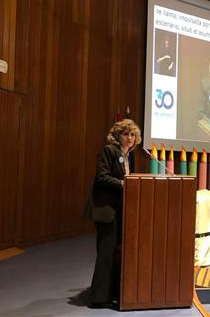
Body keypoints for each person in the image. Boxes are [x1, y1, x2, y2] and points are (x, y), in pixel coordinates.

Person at [87, 119, 141, 309]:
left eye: (132, 135)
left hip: (119, 211)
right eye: (125, 134)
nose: (129, 138)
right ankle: (99, 297)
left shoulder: (128, 156)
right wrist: (123, 184)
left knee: (116, 253)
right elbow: (101, 177)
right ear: (117, 136)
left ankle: (113, 292)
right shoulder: (109, 151)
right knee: (106, 253)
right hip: (105, 210)